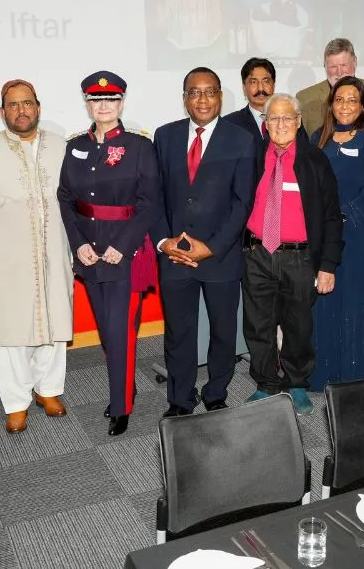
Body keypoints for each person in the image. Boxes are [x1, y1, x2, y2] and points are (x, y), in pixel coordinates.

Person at [0, 79, 75, 434]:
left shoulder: (63, 147)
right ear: (2, 112)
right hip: (7, 254)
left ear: (38, 107)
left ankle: (49, 390)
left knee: (55, 324)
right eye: (13, 105)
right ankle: (16, 403)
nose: (21, 110)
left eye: (27, 103)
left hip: (55, 248)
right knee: (13, 330)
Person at [151, 67, 258, 417]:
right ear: (184, 98)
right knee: (179, 334)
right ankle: (180, 400)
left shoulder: (241, 138)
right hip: (174, 256)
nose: (202, 99)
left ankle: (216, 392)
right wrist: (165, 242)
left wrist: (210, 247)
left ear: (220, 96)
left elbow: (243, 202)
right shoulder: (164, 137)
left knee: (224, 332)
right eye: (194, 92)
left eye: (209, 91)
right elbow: (155, 197)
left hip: (220, 256)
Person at [58, 71, 160, 437]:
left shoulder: (139, 146)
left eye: (111, 99)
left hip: (124, 252)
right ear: (87, 103)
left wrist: (123, 246)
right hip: (89, 251)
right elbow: (66, 199)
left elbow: (149, 203)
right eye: (96, 99)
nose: (103, 105)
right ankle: (124, 385)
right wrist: (78, 244)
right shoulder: (74, 146)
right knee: (107, 331)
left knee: (121, 331)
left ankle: (122, 406)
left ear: (121, 103)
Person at [243, 94, 343, 414]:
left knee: (298, 326)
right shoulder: (252, 157)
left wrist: (327, 265)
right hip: (257, 253)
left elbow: (331, 215)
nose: (281, 125)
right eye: (274, 119)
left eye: (288, 118)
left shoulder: (315, 161)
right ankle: (266, 383)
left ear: (299, 121)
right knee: (258, 325)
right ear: (265, 124)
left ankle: (297, 383)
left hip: (299, 258)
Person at [309, 77, 364, 389]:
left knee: (358, 300)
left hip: (360, 234)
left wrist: (345, 217)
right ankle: (325, 374)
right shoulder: (319, 137)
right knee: (326, 299)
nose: (345, 105)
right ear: (331, 104)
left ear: (362, 106)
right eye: (340, 99)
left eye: (352, 100)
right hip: (324, 235)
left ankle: (360, 376)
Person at [297, 38, 364, 136]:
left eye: (344, 65)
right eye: (333, 67)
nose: (339, 73)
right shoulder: (305, 98)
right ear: (325, 66)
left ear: (355, 62)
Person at [220, 57, 275, 141]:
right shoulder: (229, 124)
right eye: (253, 82)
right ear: (244, 88)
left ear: (273, 86)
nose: (260, 88)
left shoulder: (290, 120)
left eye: (266, 81)